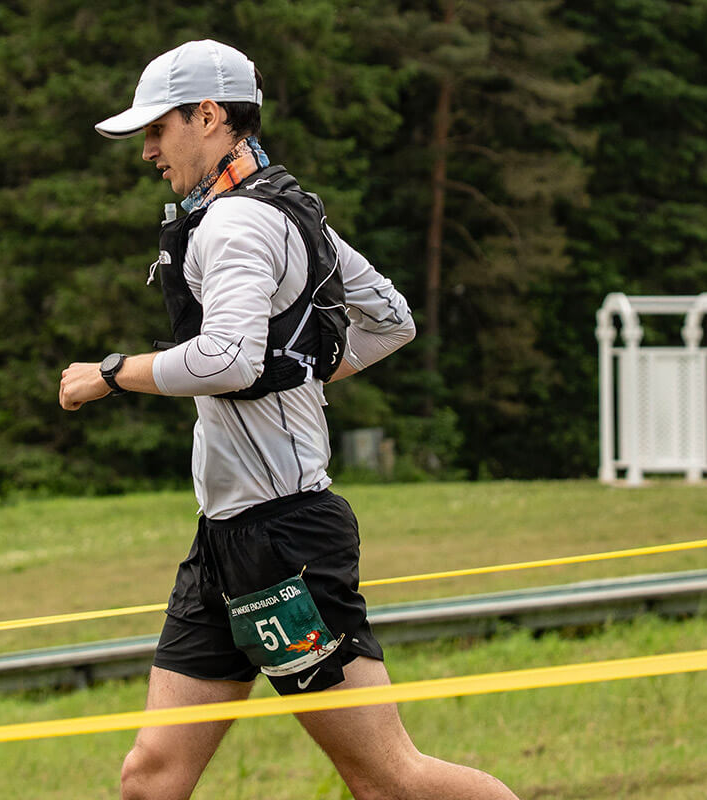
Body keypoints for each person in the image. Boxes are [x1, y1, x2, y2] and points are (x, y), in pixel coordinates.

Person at [58, 41, 520, 800]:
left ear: (209, 116)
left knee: (388, 780)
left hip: (285, 544)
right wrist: (297, 367)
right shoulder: (281, 206)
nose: (147, 151)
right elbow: (391, 319)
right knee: (150, 778)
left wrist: (111, 374)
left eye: (158, 129)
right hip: (224, 542)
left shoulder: (236, 223)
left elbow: (226, 359)